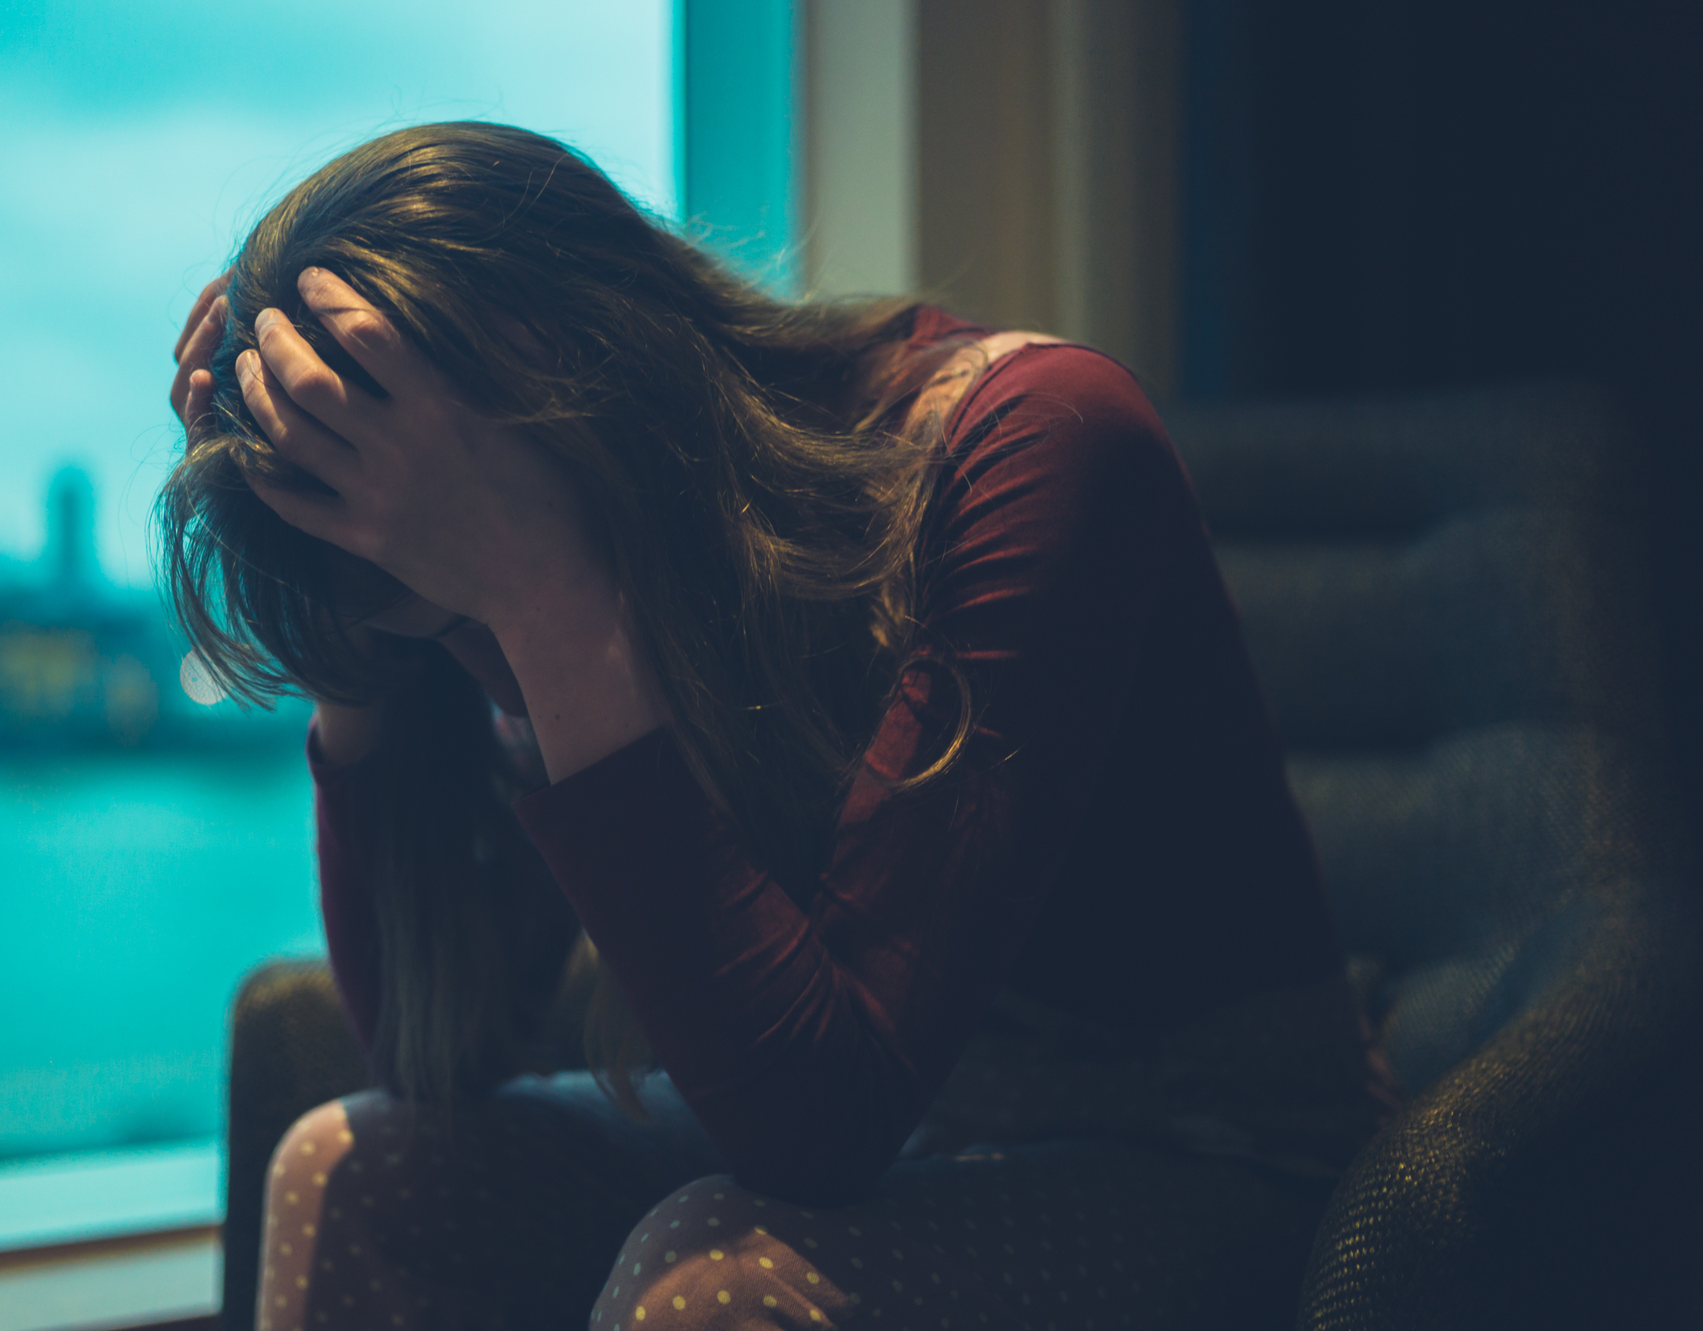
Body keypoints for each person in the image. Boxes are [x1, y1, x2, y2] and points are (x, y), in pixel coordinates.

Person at [163, 122, 1394, 1331]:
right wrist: (351, 656)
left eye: (480, 615)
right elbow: (435, 1063)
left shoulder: (1035, 441)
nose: (501, 685)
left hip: (1192, 1141)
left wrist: (542, 595)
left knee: (717, 1282)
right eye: (451, 631)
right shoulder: (497, 569)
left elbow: (819, 1126)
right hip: (898, 1117)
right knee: (351, 1163)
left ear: (577, 385)